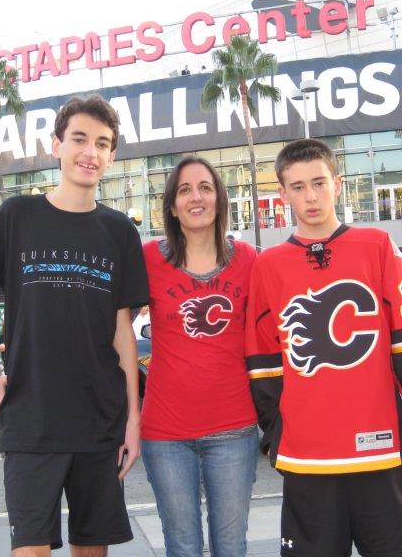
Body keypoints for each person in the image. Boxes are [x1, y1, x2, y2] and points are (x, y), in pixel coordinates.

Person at [0, 94, 148, 555]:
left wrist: (133, 422)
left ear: (112, 154)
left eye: (102, 143)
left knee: (92, 549)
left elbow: (124, 334)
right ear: (56, 144)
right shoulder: (17, 216)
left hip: (99, 422)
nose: (90, 152)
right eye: (79, 139)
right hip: (31, 420)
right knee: (31, 549)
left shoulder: (120, 232)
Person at [245, 139, 402, 557]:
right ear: (282, 194)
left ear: (338, 183)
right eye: (297, 186)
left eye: (318, 182)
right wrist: (275, 431)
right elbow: (263, 358)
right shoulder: (268, 265)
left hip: (380, 449)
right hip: (307, 457)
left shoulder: (378, 246)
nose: (310, 196)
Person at [141, 156, 258, 556]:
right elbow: (113, 325)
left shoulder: (249, 260)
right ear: (172, 206)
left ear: (220, 199)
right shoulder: (148, 260)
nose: (196, 197)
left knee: (230, 546)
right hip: (166, 433)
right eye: (185, 190)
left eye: (205, 188)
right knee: (182, 547)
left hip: (235, 429)